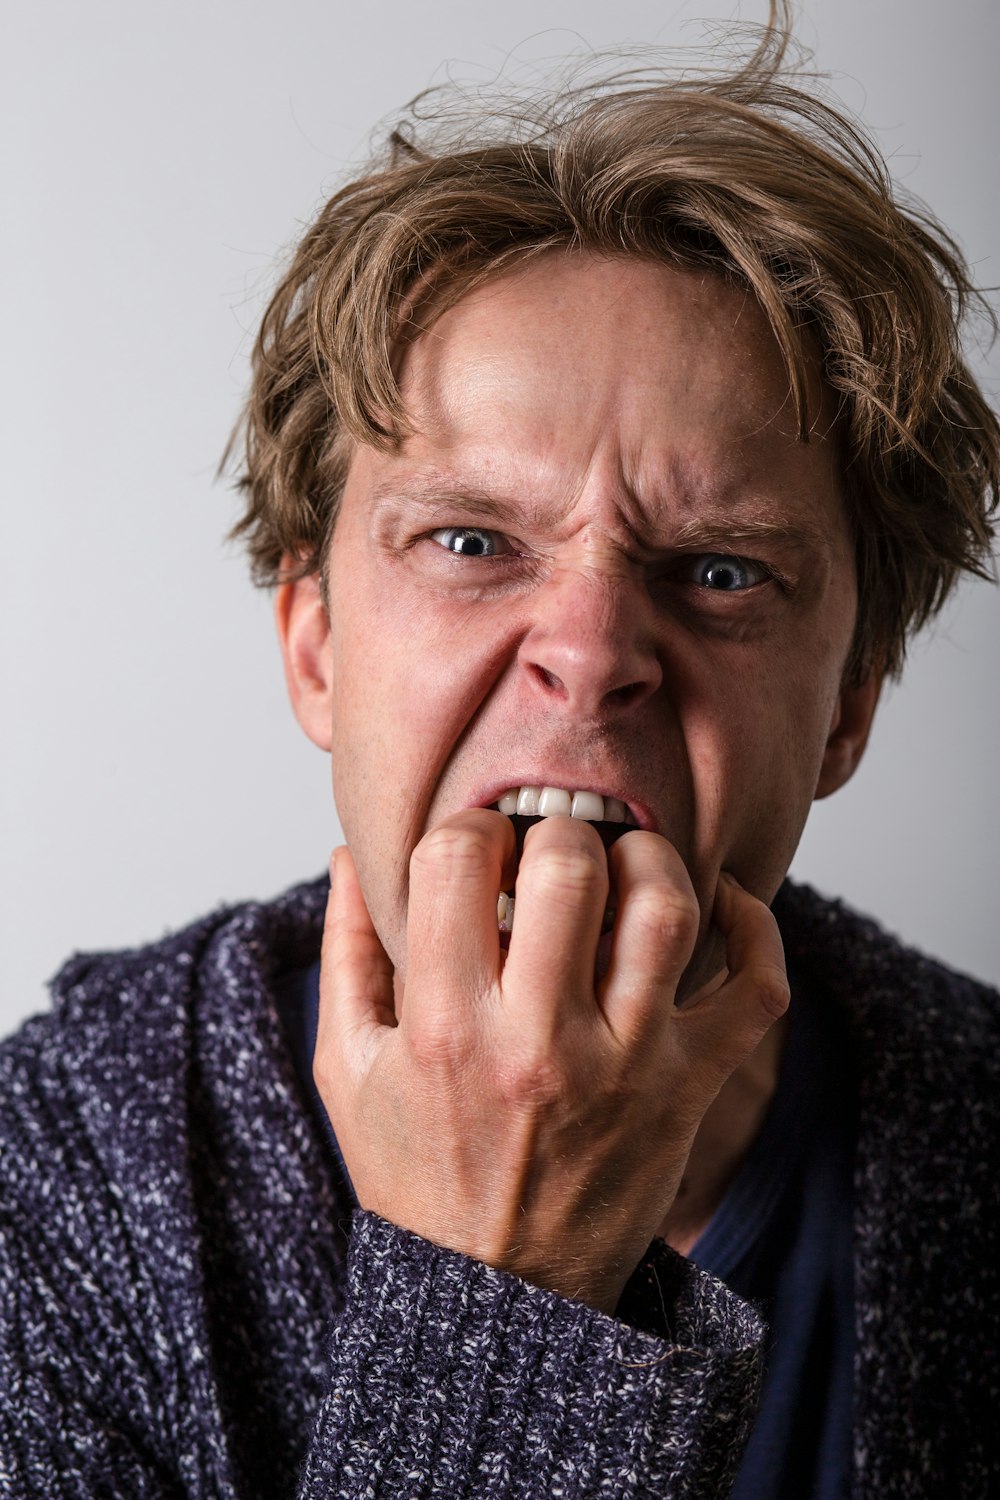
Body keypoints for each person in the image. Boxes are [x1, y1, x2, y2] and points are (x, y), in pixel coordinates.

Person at [2, 12, 997, 1498]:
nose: (592, 650)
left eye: (722, 570)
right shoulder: (49, 1185)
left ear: (850, 701)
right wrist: (505, 1295)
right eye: (470, 543)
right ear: (315, 645)